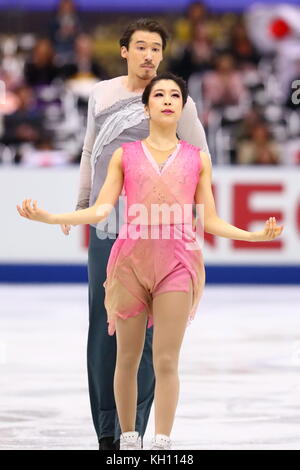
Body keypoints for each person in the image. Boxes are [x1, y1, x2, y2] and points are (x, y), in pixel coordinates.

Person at [17, 72, 284, 450]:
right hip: (130, 263)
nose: (168, 100)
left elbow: (209, 220)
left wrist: (255, 236)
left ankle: (161, 442)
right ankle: (128, 440)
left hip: (177, 261)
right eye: (159, 94)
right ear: (147, 106)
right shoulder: (125, 156)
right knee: (126, 357)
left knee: (166, 359)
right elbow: (100, 211)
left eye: (175, 94)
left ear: (183, 106)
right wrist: (51, 218)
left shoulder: (198, 160)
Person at [62, 18, 212, 451]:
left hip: (158, 228)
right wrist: (80, 206)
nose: (149, 55)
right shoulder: (101, 94)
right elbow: (91, 150)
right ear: (125, 51)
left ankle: (137, 428)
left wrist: (196, 219)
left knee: (150, 333)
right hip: (109, 225)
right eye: (141, 47)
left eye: (156, 49)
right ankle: (106, 429)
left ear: (163, 56)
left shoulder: (176, 102)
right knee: (103, 323)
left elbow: (199, 159)